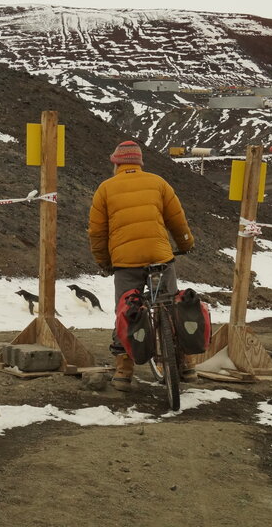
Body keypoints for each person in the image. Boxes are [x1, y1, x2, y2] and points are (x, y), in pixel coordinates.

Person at [87, 140, 196, 391]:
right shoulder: (158, 183)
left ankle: (123, 372)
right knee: (172, 305)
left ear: (116, 163)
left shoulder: (105, 189)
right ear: (139, 163)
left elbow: (97, 232)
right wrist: (186, 243)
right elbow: (177, 220)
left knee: (126, 309)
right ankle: (187, 363)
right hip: (161, 257)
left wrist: (104, 262)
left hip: (127, 262)